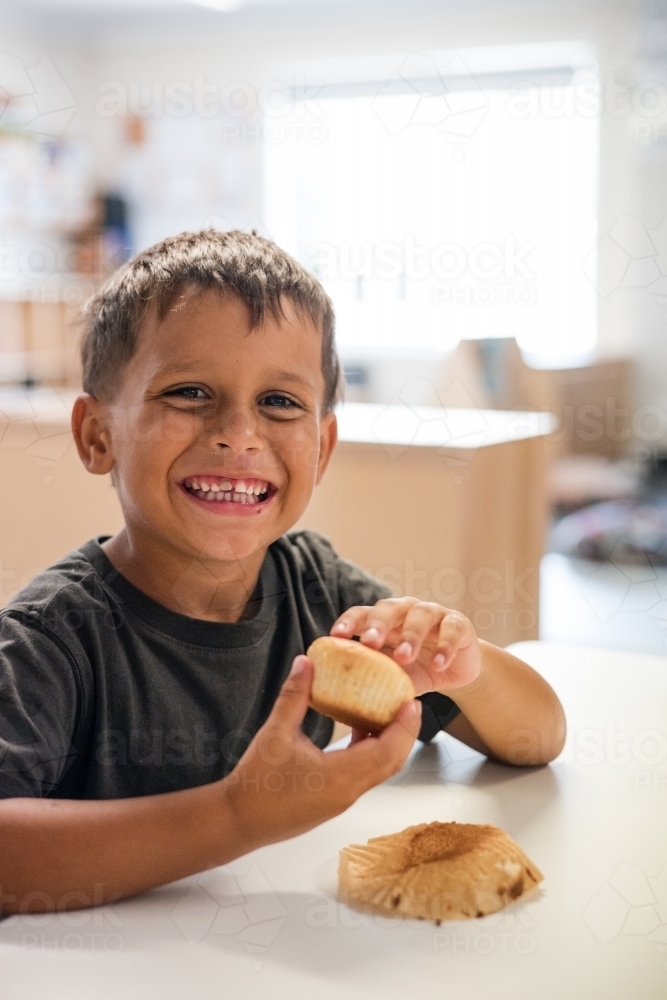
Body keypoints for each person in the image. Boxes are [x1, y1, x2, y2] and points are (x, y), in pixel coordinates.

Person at [0, 230, 565, 916]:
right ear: (98, 435)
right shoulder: (50, 639)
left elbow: (538, 737)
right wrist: (239, 815)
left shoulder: (316, 590)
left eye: (279, 402)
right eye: (188, 392)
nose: (239, 432)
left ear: (322, 448)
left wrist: (463, 664)